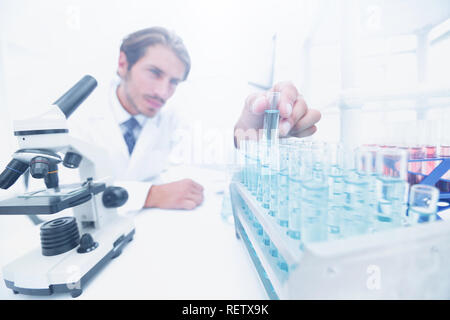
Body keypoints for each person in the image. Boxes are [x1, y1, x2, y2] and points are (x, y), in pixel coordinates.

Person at [70, 26, 320, 212]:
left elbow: (212, 149)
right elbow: (56, 196)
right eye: (155, 73)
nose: (163, 92)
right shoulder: (77, 117)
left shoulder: (168, 118)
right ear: (123, 63)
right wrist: (150, 195)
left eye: (173, 82)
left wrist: (248, 133)